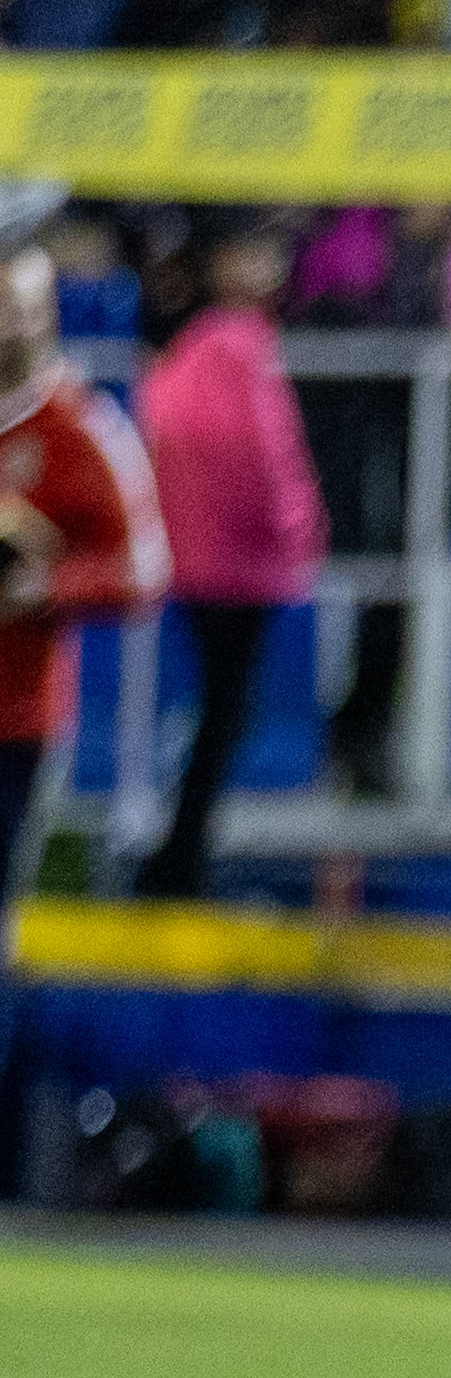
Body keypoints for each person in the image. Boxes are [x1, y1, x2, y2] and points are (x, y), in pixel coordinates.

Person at [129, 220, 323, 899]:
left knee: (214, 713)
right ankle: (180, 861)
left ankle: (177, 856)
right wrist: (302, 535)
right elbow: (268, 460)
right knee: (223, 717)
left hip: (197, 562)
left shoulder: (180, 351)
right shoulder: (241, 347)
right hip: (243, 566)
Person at [0, 243, 168, 947]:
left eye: (18, 308)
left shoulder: (80, 429)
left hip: (12, 719)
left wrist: (43, 583)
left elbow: (143, 567)